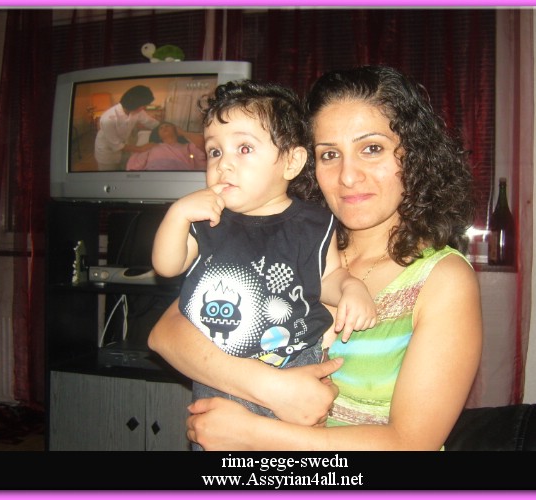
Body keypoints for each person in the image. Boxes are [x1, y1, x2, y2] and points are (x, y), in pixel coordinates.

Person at [148, 65, 483, 450]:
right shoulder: (292, 244)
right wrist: (270, 388)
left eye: (371, 149)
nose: (348, 176)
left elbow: (410, 444)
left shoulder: (443, 279)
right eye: (329, 154)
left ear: (413, 155)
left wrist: (252, 433)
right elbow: (167, 333)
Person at [150, 80, 377, 448]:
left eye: (243, 148)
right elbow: (166, 265)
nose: (224, 164)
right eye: (214, 151)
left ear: (291, 162)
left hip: (295, 362)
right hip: (220, 372)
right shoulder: (206, 219)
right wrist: (177, 215)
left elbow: (329, 276)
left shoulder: (314, 224)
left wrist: (352, 287)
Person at [94, 85, 160, 170]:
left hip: (124, 147)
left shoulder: (137, 111)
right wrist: (141, 148)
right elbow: (116, 145)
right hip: (107, 152)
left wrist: (171, 128)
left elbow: (152, 123)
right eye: (143, 105)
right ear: (134, 104)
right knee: (109, 176)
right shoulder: (108, 119)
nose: (144, 108)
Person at [126, 122, 207, 171]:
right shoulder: (152, 147)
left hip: (180, 177)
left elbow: (205, 144)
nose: (164, 128)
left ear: (175, 130)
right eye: (161, 128)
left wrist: (183, 133)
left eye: (167, 126)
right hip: (154, 176)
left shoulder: (188, 147)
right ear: (158, 135)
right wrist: (141, 149)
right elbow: (134, 167)